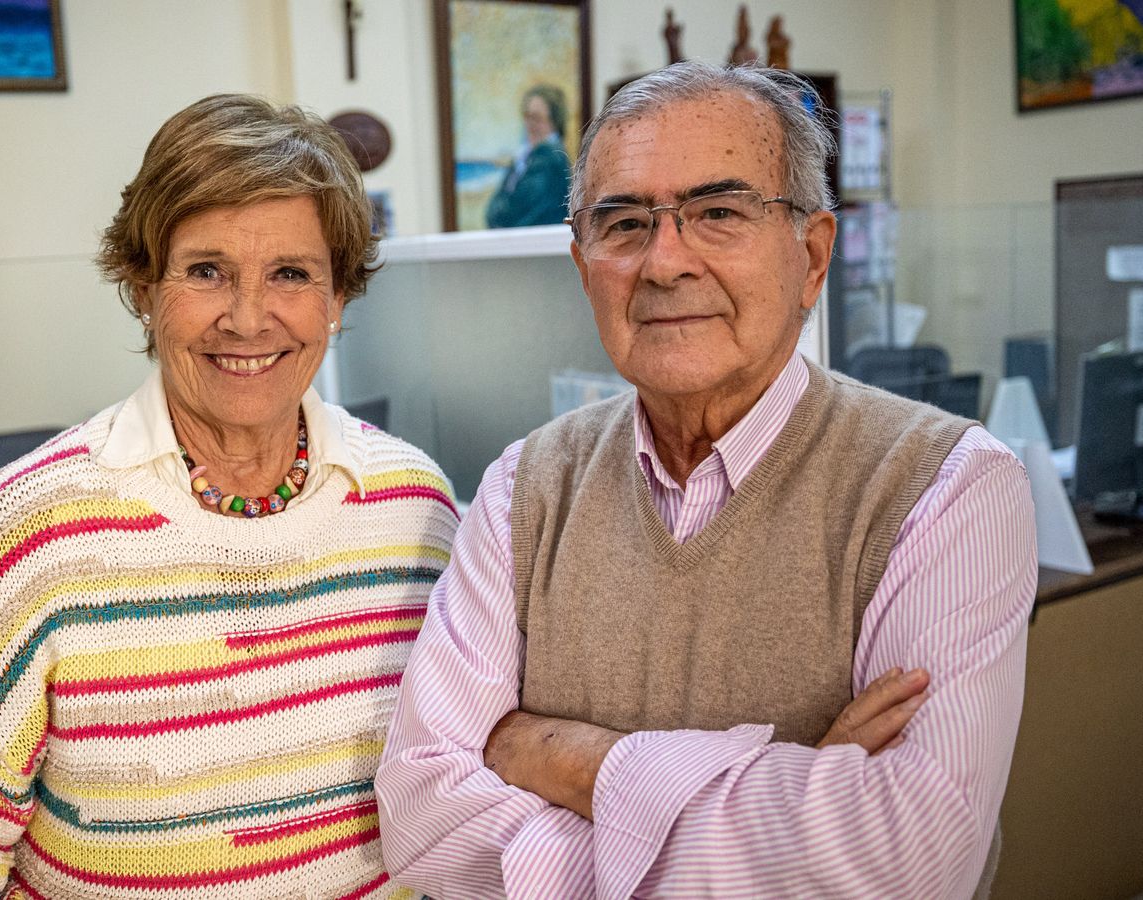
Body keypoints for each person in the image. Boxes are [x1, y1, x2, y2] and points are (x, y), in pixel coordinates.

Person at [378, 61, 1036, 899]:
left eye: (718, 213)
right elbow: (421, 817)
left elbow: (907, 862)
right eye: (622, 224)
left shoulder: (946, 487)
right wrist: (793, 795)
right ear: (584, 267)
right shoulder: (522, 489)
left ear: (813, 256)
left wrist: (558, 754)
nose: (663, 262)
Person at [0, 94, 459, 899]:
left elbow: (453, 801)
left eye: (291, 273)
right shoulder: (30, 530)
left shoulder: (419, 511)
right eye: (207, 272)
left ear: (338, 298)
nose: (248, 318)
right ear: (144, 287)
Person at [485, 84, 571, 229]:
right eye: (527, 116)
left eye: (536, 118)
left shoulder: (550, 158)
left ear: (554, 121)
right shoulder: (527, 157)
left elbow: (509, 216)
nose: (530, 124)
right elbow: (492, 213)